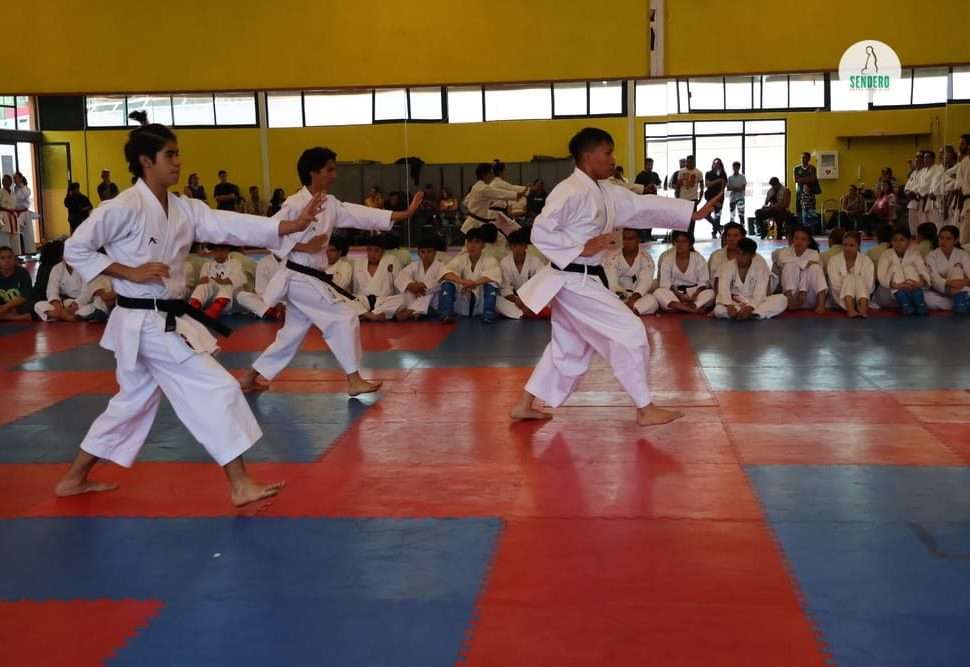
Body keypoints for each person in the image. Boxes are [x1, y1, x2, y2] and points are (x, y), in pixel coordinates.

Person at [54, 118, 324, 506]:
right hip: (145, 322)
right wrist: (128, 271)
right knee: (218, 387)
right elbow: (75, 248)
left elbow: (231, 225)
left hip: (162, 318)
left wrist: (290, 225)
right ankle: (239, 482)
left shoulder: (183, 208)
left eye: (178, 154)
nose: (178, 162)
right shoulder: (123, 207)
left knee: (131, 405)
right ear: (146, 161)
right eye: (170, 155)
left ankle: (73, 478)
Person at [509, 127, 718, 426]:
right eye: (607, 153)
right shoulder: (570, 190)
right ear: (587, 156)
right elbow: (541, 231)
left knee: (567, 346)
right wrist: (583, 247)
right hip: (573, 279)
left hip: (583, 278)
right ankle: (645, 408)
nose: (612, 159)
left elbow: (641, 206)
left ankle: (524, 404)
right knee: (630, 331)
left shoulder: (605, 190)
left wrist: (690, 214)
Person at [238, 147, 422, 396]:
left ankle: (249, 378)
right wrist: (304, 246)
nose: (334, 175)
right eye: (329, 170)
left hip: (310, 277)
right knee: (345, 317)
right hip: (299, 277)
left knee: (291, 336)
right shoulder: (295, 203)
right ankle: (354, 380)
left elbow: (362, 215)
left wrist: (403, 214)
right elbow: (268, 235)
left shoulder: (330, 203)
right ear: (313, 173)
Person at [713, 238, 787, 321]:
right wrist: (729, 305)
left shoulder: (760, 268)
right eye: (738, 253)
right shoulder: (727, 267)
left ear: (753, 255)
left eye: (744, 255)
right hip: (735, 303)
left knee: (782, 300)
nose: (740, 257)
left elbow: (761, 292)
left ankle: (751, 314)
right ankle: (749, 314)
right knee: (718, 310)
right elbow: (723, 288)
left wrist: (750, 307)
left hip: (754, 302)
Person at [438, 227, 501, 324]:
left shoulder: (490, 260)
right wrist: (463, 282)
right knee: (447, 282)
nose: (472, 246)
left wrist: (474, 283)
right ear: (466, 244)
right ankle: (446, 313)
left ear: (483, 245)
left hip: (481, 298)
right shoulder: (460, 259)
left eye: (477, 242)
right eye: (470, 242)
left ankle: (488, 314)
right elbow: (445, 273)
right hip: (463, 296)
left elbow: (492, 276)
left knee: (491, 284)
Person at [34, 258, 113, 322]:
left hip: (83, 303)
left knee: (94, 306)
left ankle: (66, 316)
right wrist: (57, 306)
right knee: (38, 305)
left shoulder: (85, 266)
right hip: (65, 304)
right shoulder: (57, 268)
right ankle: (67, 317)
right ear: (62, 257)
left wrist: (76, 304)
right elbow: (51, 291)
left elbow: (87, 292)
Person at [654, 231, 715, 313]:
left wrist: (696, 294)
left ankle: (686, 306)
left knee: (711, 293)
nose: (680, 244)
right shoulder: (667, 259)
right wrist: (678, 294)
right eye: (677, 241)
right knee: (658, 292)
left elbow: (703, 281)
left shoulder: (698, 258)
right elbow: (665, 282)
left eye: (684, 241)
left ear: (690, 244)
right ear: (674, 243)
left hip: (695, 293)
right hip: (675, 293)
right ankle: (692, 309)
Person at [461, 163, 527, 238]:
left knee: (499, 240)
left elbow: (466, 202)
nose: (493, 175)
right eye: (491, 173)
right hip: (475, 224)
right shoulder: (483, 188)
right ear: (484, 175)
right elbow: (499, 193)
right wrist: (517, 195)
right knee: (499, 240)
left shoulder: (477, 186)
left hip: (480, 222)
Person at [605, 228, 658, 316]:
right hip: (617, 296)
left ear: (638, 240)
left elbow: (645, 282)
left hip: (636, 297)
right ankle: (628, 311)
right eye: (625, 238)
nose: (627, 242)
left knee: (652, 301)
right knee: (604, 297)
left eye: (631, 238)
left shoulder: (646, 259)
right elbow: (612, 283)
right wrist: (622, 298)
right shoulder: (612, 257)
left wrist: (633, 299)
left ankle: (626, 311)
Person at [876, 229, 930, 315]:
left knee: (911, 270)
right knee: (884, 296)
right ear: (891, 241)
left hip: (913, 285)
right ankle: (906, 304)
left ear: (909, 241)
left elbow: (923, 270)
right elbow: (881, 276)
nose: (898, 243)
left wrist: (919, 283)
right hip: (893, 287)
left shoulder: (915, 253)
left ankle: (918, 303)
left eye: (902, 240)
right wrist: (895, 285)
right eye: (895, 240)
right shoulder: (886, 254)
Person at [187, 243, 246, 319]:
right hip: (211, 302)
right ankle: (194, 307)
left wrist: (223, 281)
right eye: (216, 251)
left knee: (227, 286)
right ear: (212, 252)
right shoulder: (207, 265)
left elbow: (239, 279)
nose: (219, 254)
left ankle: (215, 309)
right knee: (204, 285)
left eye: (222, 250)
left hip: (230, 302)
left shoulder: (235, 263)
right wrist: (202, 281)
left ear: (228, 250)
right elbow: (202, 281)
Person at [497, 229, 547, 319]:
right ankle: (527, 312)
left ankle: (524, 312)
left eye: (521, 245)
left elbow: (542, 283)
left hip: (533, 299)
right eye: (514, 245)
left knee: (549, 299)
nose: (518, 249)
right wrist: (517, 301)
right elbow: (505, 288)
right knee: (498, 301)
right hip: (515, 300)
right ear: (510, 247)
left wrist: (526, 302)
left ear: (526, 246)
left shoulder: (535, 261)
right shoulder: (505, 262)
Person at [394, 234, 446, 321]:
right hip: (416, 299)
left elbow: (440, 281)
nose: (426, 255)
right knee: (407, 292)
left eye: (429, 252)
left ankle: (410, 311)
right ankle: (417, 313)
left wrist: (422, 287)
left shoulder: (440, 266)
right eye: (423, 252)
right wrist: (411, 286)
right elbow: (401, 277)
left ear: (435, 253)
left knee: (428, 294)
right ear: (418, 253)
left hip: (433, 304)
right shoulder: (414, 265)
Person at [352, 234, 402, 321]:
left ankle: (366, 315)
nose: (372, 254)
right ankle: (373, 315)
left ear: (383, 251)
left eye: (376, 250)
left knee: (404, 298)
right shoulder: (358, 262)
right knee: (345, 299)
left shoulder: (392, 260)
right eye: (369, 250)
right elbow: (355, 287)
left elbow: (399, 284)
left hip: (384, 301)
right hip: (364, 301)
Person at [777, 226, 827, 313]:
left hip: (810, 295)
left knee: (815, 268)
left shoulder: (813, 253)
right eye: (796, 238)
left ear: (809, 242)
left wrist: (803, 290)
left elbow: (807, 270)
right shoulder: (784, 252)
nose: (799, 242)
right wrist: (805, 262)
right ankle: (790, 301)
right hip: (793, 295)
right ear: (792, 239)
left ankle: (821, 304)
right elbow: (782, 261)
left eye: (803, 239)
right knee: (789, 266)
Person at [827, 231, 874, 318]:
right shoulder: (834, 260)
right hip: (840, 298)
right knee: (850, 277)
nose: (847, 248)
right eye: (845, 245)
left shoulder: (866, 261)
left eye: (852, 245)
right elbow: (835, 285)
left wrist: (857, 295)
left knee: (857, 278)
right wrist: (849, 294)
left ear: (858, 246)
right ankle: (850, 309)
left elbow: (869, 284)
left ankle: (863, 309)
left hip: (862, 298)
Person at [924, 224, 970, 313]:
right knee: (927, 298)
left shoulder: (962, 255)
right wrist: (949, 282)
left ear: (956, 240)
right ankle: (962, 302)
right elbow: (933, 277)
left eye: (948, 238)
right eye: (941, 238)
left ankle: (959, 302)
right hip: (940, 291)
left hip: (961, 289)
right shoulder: (931, 256)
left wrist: (964, 281)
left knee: (957, 269)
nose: (943, 241)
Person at [237, 252, 283, 320]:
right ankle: (273, 312)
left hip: (290, 302)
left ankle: (269, 312)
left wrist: (282, 303)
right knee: (241, 296)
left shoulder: (294, 261)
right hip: (269, 301)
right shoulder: (263, 262)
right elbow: (261, 291)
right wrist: (276, 303)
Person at [0, 245, 32, 321]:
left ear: (14, 259)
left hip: (18, 305)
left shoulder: (22, 273)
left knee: (34, 305)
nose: (7, 261)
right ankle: (15, 317)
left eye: (9, 257)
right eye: (2, 258)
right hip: (2, 307)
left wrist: (7, 306)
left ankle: (6, 316)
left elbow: (26, 295)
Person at [11, 172, 36, 256]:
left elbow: (23, 196)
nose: (15, 180)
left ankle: (31, 251)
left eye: (16, 178)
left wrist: (21, 186)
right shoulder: (13, 189)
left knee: (28, 233)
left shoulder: (25, 188)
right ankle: (17, 252)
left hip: (24, 212)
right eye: (14, 178)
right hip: (16, 213)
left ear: (21, 178)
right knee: (16, 233)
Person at [919, 149, 945, 230]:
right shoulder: (923, 171)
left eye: (928, 157)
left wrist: (930, 193)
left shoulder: (937, 169)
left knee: (934, 222)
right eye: (924, 158)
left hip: (932, 198)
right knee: (924, 222)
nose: (925, 159)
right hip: (922, 199)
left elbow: (934, 184)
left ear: (933, 159)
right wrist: (920, 193)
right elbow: (920, 185)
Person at [793, 152, 821, 223]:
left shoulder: (812, 168)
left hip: (810, 193)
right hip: (800, 193)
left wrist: (801, 179)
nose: (802, 159)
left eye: (804, 157)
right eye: (801, 157)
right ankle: (801, 227)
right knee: (799, 212)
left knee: (811, 212)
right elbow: (796, 180)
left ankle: (811, 227)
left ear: (809, 159)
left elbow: (813, 179)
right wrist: (808, 178)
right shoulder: (796, 168)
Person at [704, 158, 727, 237]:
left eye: (718, 164)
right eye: (715, 163)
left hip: (719, 198)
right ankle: (719, 227)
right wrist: (718, 180)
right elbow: (707, 184)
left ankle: (714, 232)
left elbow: (723, 187)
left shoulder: (723, 174)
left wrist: (718, 200)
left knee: (717, 215)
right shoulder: (708, 173)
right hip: (710, 197)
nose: (716, 165)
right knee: (706, 215)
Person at [904, 152, 925, 236]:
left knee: (921, 224)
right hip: (912, 201)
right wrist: (907, 192)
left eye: (919, 157)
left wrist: (913, 192)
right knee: (912, 225)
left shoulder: (925, 172)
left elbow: (922, 186)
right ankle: (914, 238)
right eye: (916, 157)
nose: (916, 160)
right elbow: (907, 186)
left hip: (921, 200)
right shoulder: (914, 173)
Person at [726, 161, 748, 230]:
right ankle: (731, 228)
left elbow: (742, 188)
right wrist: (737, 188)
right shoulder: (730, 178)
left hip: (740, 198)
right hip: (732, 198)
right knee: (732, 214)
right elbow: (728, 188)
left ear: (739, 168)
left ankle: (742, 228)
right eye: (734, 167)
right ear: (733, 168)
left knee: (741, 214)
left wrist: (734, 188)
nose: (736, 168)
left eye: (737, 167)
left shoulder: (742, 177)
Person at [0, 175, 19, 255]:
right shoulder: (1, 192)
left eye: (6, 180)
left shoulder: (13, 193)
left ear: (10, 182)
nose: (4, 182)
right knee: (4, 237)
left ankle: (16, 255)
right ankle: (4, 256)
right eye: (3, 180)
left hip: (13, 216)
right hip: (3, 216)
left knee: (15, 237)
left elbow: (15, 206)